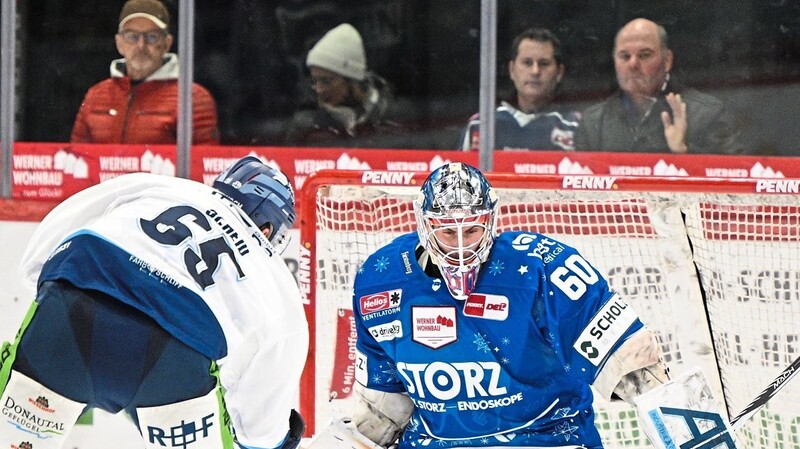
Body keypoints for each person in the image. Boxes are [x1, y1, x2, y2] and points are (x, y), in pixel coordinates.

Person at [308, 162, 670, 449]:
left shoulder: (543, 269)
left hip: (546, 441)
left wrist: (693, 435)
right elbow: (384, 410)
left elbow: (635, 367)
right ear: (424, 226)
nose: (461, 246)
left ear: (491, 221)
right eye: (448, 231)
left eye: (472, 230)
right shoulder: (381, 281)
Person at [0, 156, 307, 449]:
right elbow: (258, 432)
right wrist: (282, 439)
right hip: (172, 362)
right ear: (267, 229)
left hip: (68, 313)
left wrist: (52, 310)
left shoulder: (162, 186)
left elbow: (45, 247)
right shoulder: (276, 277)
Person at [574, 18, 744, 154]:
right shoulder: (593, 122)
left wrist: (685, 153)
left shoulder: (707, 114)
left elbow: (739, 182)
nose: (633, 64)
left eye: (644, 55)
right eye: (624, 56)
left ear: (667, 61)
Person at [70, 0, 220, 144]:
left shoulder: (192, 98)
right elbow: (75, 160)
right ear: (119, 43)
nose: (141, 45)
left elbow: (205, 164)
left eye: (151, 37)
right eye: (132, 36)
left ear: (167, 43)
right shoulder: (95, 96)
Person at [459, 28, 581, 151]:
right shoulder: (481, 125)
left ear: (559, 72)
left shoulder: (575, 126)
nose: (535, 71)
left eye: (544, 64)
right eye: (527, 63)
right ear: (512, 70)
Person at [284, 23, 403, 147]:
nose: (319, 90)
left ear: (352, 81)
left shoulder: (392, 118)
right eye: (315, 81)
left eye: (326, 81)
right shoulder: (307, 124)